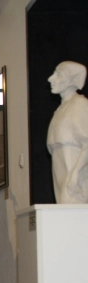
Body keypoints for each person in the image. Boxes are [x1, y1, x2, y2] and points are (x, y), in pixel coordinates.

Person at [46, 61, 88, 204]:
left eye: (58, 75)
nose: (50, 79)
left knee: (72, 207)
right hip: (59, 164)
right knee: (63, 209)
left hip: (72, 164)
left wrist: (76, 173)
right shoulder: (60, 109)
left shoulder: (80, 104)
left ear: (71, 81)